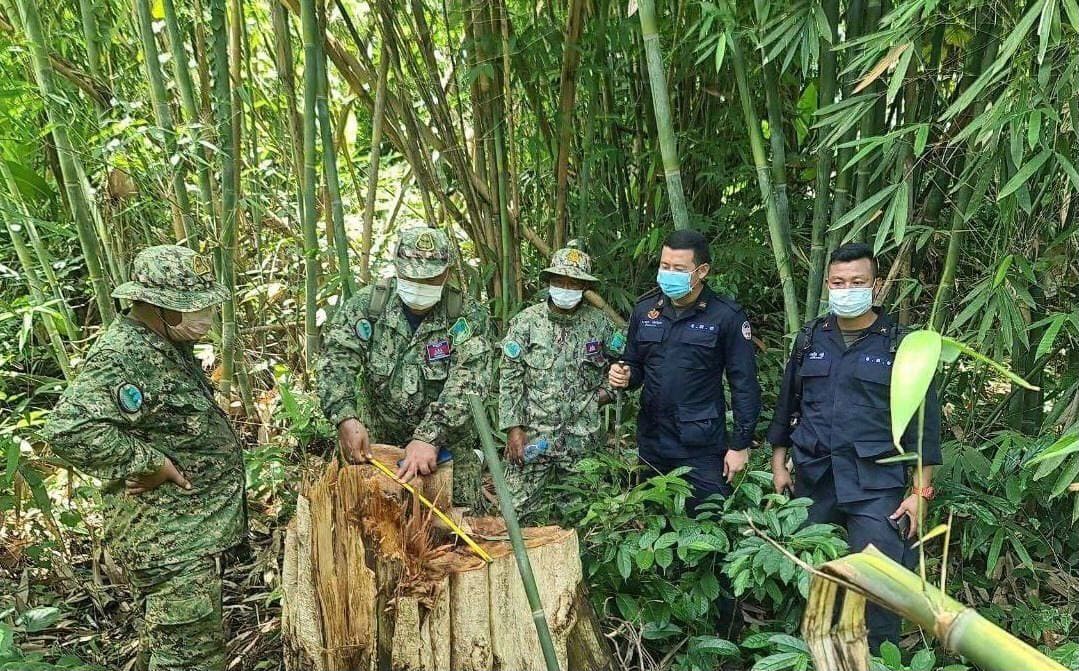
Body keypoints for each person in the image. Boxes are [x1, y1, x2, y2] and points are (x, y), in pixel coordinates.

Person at [43, 245, 246, 671]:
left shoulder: (161, 343)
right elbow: (70, 429)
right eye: (192, 308)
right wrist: (149, 463)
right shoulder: (123, 355)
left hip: (185, 533)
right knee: (192, 660)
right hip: (168, 540)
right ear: (153, 306)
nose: (205, 316)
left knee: (170, 648)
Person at [767, 242, 941, 651]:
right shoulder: (810, 338)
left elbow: (925, 427)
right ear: (827, 284)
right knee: (815, 581)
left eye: (858, 281)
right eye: (838, 282)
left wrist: (919, 494)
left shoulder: (902, 345)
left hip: (875, 485)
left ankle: (879, 660)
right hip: (813, 480)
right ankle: (817, 655)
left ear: (876, 285)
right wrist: (779, 465)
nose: (847, 289)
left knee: (880, 588)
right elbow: (786, 406)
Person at [317, 226, 493, 510]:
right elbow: (336, 359)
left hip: (448, 452)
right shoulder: (369, 306)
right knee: (370, 526)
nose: (420, 284)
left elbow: (470, 381)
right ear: (397, 268)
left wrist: (430, 436)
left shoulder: (465, 316)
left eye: (430, 277)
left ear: (447, 274)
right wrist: (345, 417)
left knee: (456, 534)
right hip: (377, 448)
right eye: (411, 275)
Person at [608, 229, 761, 510]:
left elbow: (745, 384)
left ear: (701, 271)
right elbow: (634, 363)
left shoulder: (725, 315)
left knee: (706, 520)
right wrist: (625, 374)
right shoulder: (645, 310)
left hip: (700, 442)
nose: (669, 274)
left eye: (678, 268)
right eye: (665, 266)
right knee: (653, 517)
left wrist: (740, 445)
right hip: (652, 439)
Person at [498, 246, 625, 515]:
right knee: (515, 513)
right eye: (560, 281)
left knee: (583, 514)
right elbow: (510, 378)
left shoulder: (600, 324)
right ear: (550, 282)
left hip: (582, 439)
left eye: (574, 283)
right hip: (533, 437)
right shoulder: (526, 323)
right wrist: (513, 428)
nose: (566, 288)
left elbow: (623, 367)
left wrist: (600, 397)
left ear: (584, 287)